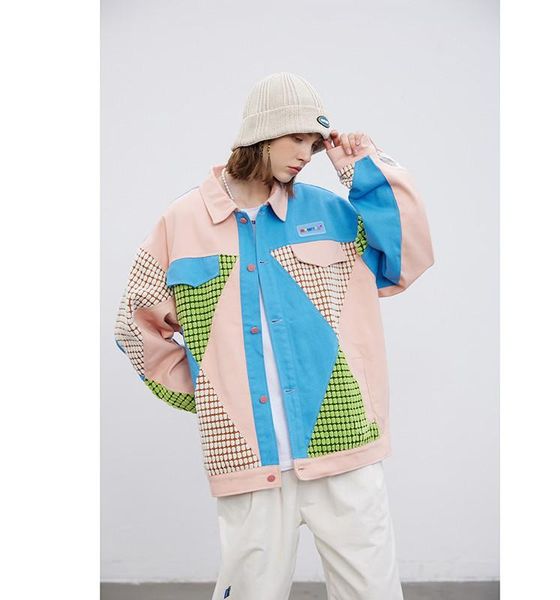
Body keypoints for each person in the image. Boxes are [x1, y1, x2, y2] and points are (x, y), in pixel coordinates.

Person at [114, 71, 434, 600]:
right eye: (297, 138)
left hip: (343, 445)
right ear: (262, 133)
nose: (307, 154)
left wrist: (363, 172)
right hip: (247, 460)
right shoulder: (182, 222)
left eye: (314, 143)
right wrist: (209, 393)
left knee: (373, 591)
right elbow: (135, 324)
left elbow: (407, 260)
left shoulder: (330, 212)